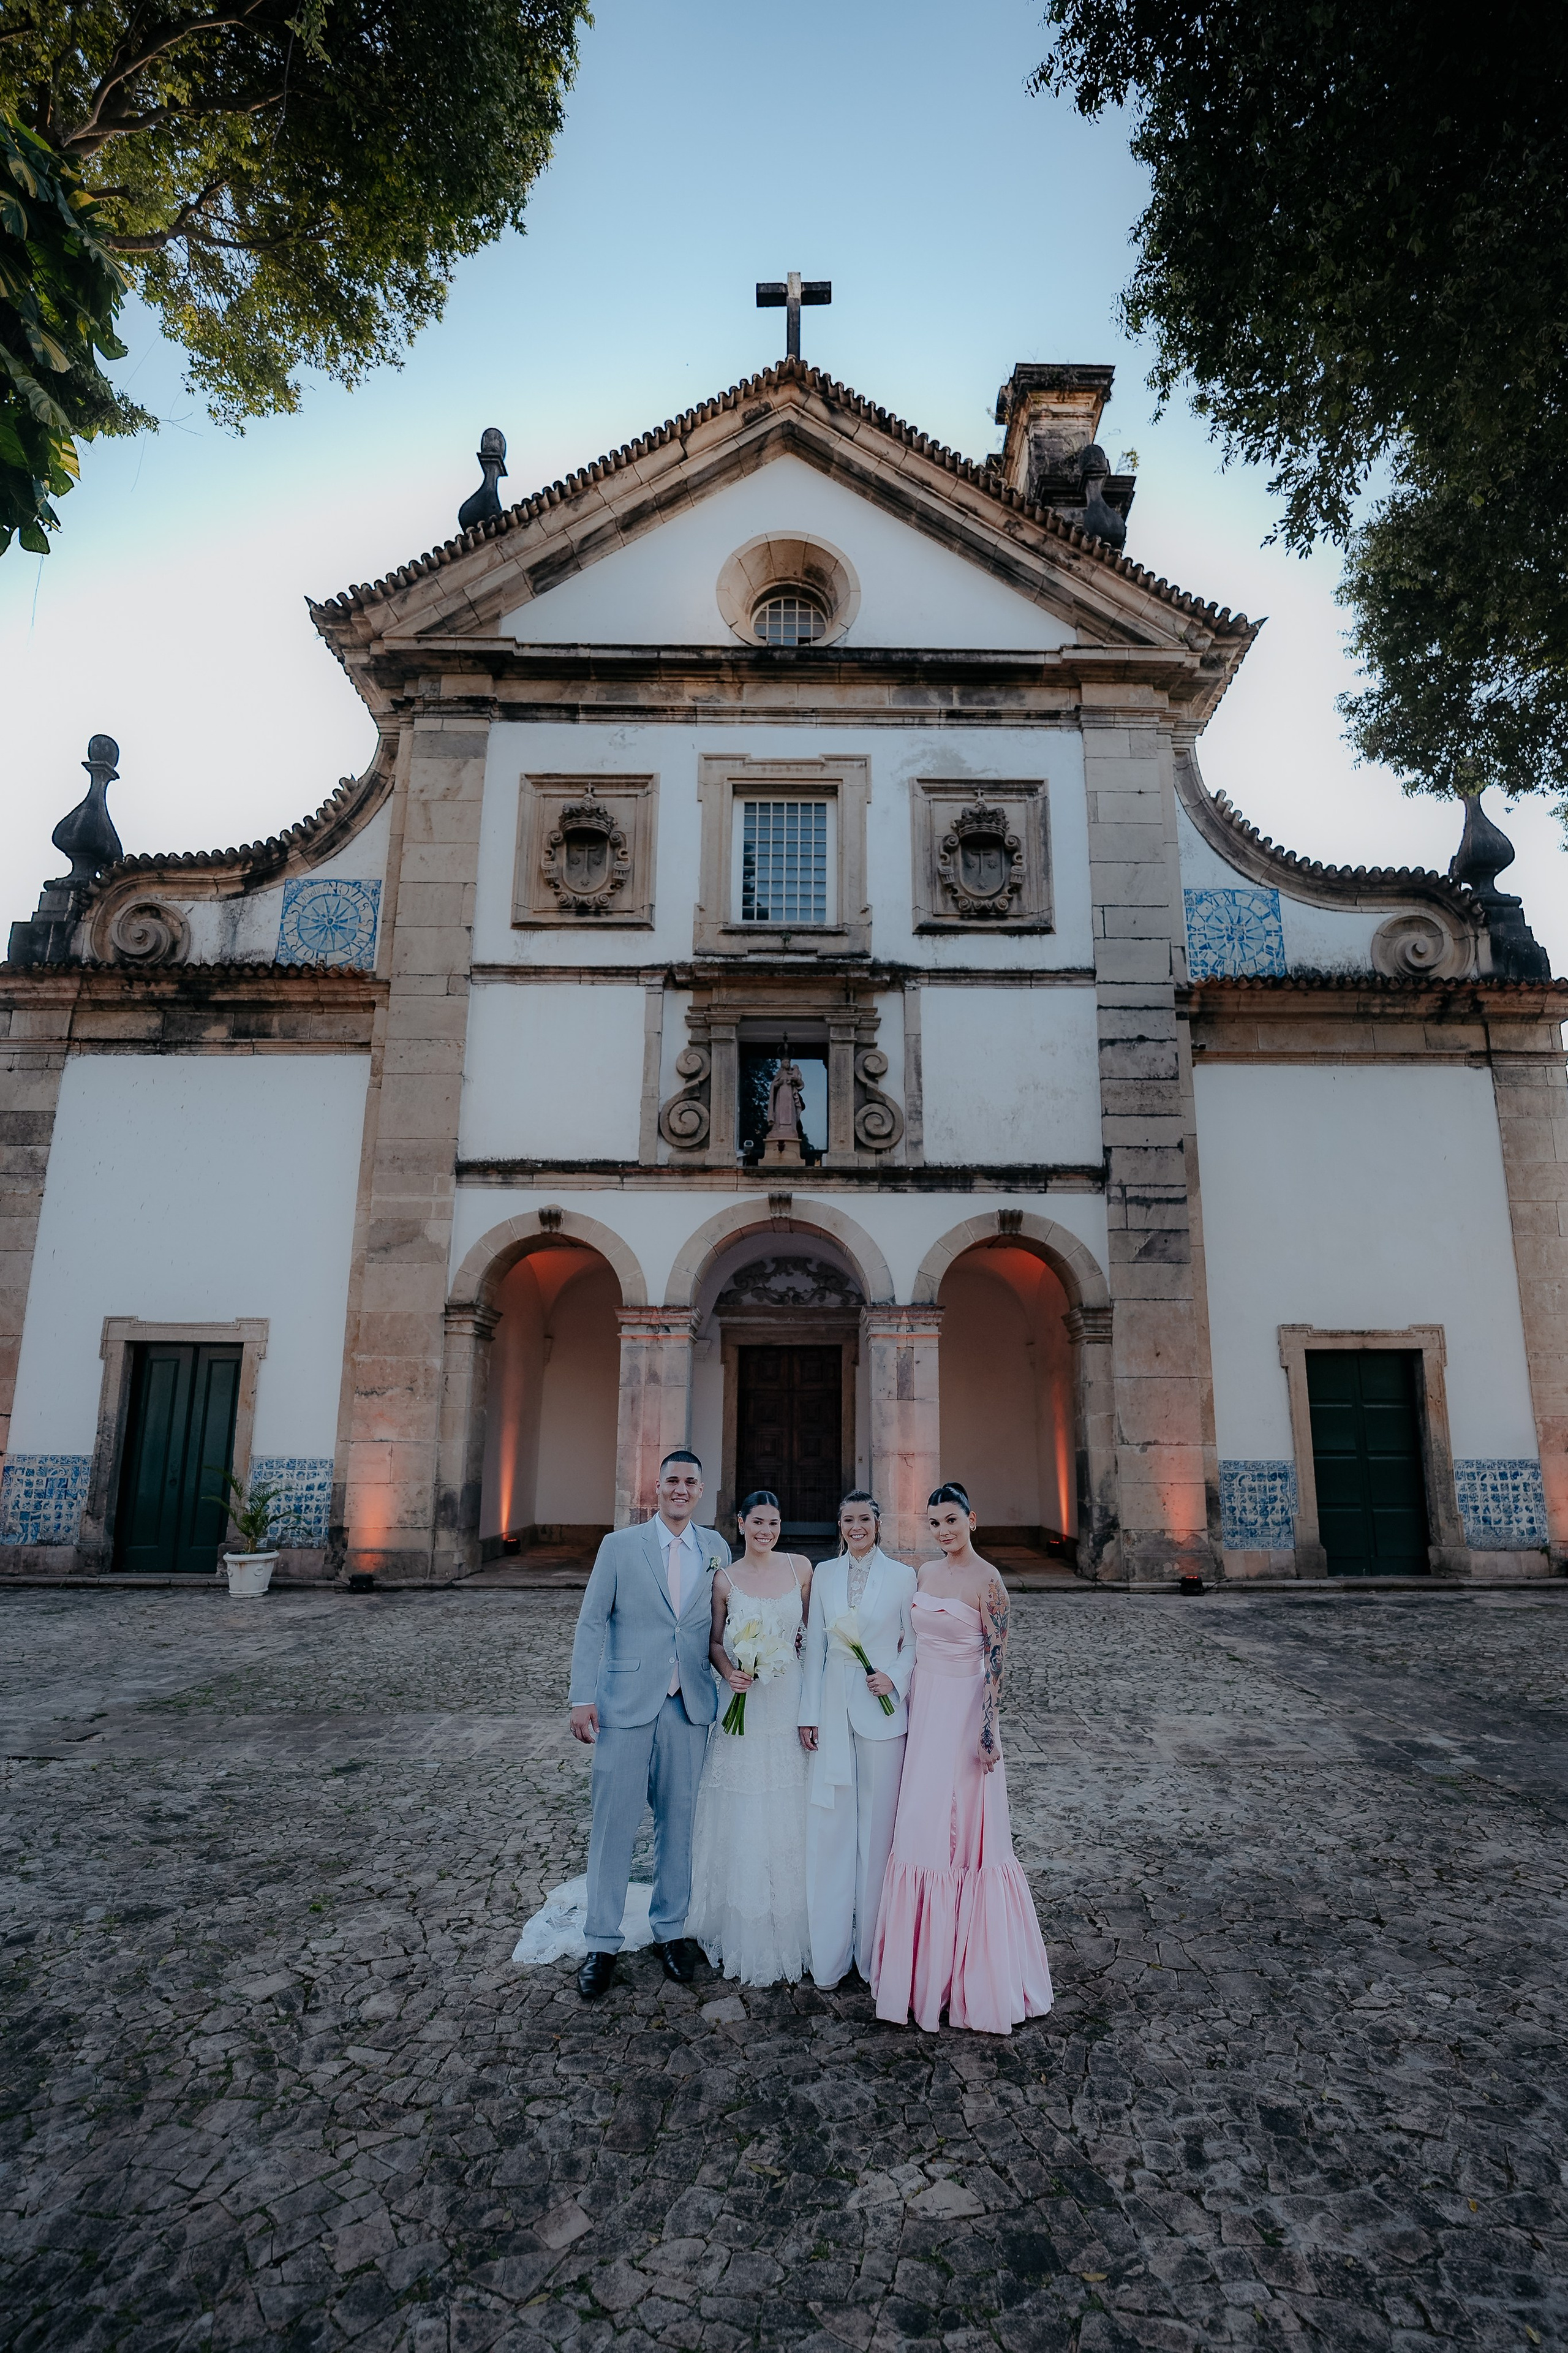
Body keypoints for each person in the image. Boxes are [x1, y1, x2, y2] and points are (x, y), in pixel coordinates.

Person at [870, 1481, 1053, 2036]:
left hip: (965, 1714)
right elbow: (911, 1644)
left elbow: (997, 1660)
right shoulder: (924, 1576)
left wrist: (989, 1730)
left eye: (952, 1520)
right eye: (935, 1523)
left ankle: (970, 1972)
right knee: (920, 1826)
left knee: (961, 1834)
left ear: (972, 1519)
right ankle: (920, 1969)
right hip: (924, 1712)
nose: (944, 1531)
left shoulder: (989, 1581)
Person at [567, 1449, 731, 2000]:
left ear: (701, 1490)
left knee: (678, 1824)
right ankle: (601, 1942)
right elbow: (591, 1622)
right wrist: (581, 1697)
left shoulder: (717, 1548)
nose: (680, 1489)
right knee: (614, 1825)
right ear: (656, 1488)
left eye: (690, 1482)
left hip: (689, 1705)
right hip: (625, 1704)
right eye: (672, 1481)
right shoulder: (620, 1547)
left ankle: (670, 1930)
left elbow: (722, 1625)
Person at [685, 1492, 813, 1984]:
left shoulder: (802, 1568)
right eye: (757, 1521)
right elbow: (716, 1641)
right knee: (743, 1806)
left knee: (790, 1803)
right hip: (744, 1704)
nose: (766, 1530)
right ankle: (741, 1919)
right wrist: (730, 1671)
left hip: (787, 1700)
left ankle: (796, 1920)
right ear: (740, 1524)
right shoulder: (725, 1578)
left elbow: (809, 1638)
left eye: (774, 1522)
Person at [797, 1490, 916, 1989]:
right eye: (848, 1519)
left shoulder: (904, 1576)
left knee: (877, 1839)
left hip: (882, 1717)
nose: (856, 1526)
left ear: (878, 1522)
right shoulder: (824, 1575)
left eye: (864, 1518)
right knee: (831, 1832)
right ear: (840, 1525)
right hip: (830, 1710)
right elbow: (815, 1651)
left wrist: (893, 1676)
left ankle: (872, 1957)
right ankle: (829, 1957)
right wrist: (808, 1714)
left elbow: (916, 1643)